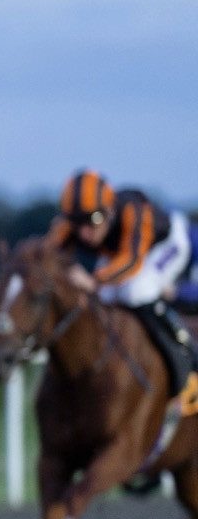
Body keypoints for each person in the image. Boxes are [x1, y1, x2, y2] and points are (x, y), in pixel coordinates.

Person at [46, 168, 196, 405]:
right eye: (77, 223)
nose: (85, 232)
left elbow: (131, 262)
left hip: (166, 244)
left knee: (136, 291)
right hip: (120, 255)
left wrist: (93, 282)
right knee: (106, 298)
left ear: (109, 211)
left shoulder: (133, 210)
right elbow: (46, 256)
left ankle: (185, 353)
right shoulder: (70, 225)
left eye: (94, 220)